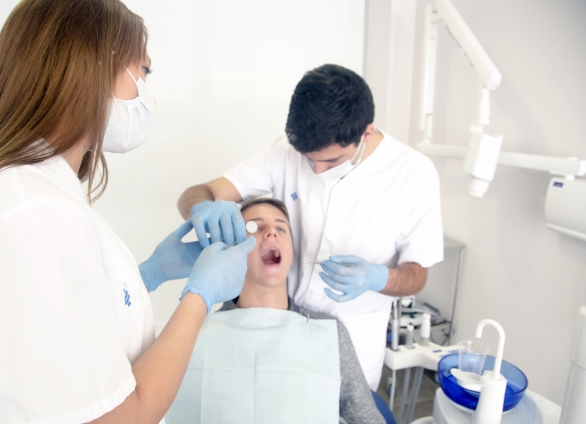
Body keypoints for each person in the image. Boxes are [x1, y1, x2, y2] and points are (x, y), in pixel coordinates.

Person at [0, 1, 255, 422]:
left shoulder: (37, 192)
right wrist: (199, 298)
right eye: (143, 72)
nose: (147, 94)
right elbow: (111, 417)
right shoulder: (30, 210)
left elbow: (64, 328)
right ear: (94, 66)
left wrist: (145, 276)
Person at [177, 64, 444, 391]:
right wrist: (201, 208)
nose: (316, 170)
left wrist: (379, 277)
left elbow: (417, 274)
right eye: (308, 159)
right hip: (281, 331)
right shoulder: (285, 152)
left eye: (331, 161)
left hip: (354, 350)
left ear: (366, 133)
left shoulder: (413, 174)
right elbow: (197, 193)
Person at [166, 198, 385, 424]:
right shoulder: (195, 336)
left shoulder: (330, 332)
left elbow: (367, 419)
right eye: (255, 227)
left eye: (281, 228)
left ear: (291, 254)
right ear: (234, 250)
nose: (271, 232)